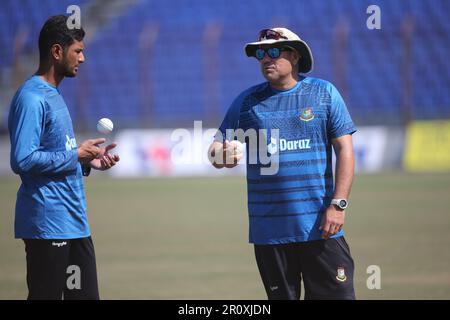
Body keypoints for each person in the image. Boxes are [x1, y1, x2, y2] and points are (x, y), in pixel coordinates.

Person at [208, 27, 356, 300]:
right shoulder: (246, 102)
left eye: (274, 52)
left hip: (321, 227)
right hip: (270, 233)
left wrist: (339, 204)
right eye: (261, 54)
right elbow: (216, 149)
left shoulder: (324, 93)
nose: (266, 58)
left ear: (295, 56)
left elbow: (345, 150)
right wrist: (221, 155)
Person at [8, 15, 120, 300]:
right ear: (57, 52)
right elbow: (22, 159)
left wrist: (84, 161)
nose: (82, 58)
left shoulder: (54, 94)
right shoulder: (32, 98)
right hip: (47, 226)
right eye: (78, 51)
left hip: (74, 223)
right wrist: (74, 155)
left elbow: (58, 154)